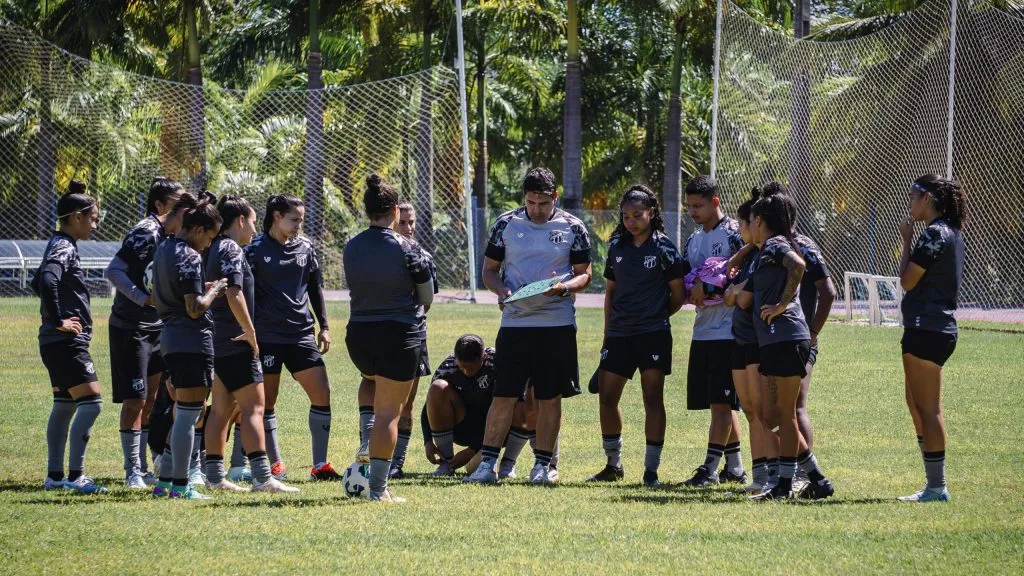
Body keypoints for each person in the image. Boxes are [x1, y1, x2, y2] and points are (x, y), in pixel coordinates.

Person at [464, 166, 592, 485]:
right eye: (531, 202)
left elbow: (585, 273)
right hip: (516, 324)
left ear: (555, 198)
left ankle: (543, 466)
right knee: (504, 396)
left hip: (557, 325)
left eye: (543, 203)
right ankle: (487, 467)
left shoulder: (573, 227)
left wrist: (564, 287)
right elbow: (490, 270)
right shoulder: (506, 224)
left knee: (550, 397)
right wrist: (501, 289)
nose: (536, 209)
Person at [587, 185, 686, 488]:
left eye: (637, 215)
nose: (631, 221)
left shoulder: (664, 248)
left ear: (652, 213)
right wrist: (607, 333)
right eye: (626, 216)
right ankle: (613, 464)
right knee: (606, 396)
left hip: (653, 334)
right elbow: (610, 293)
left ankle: (650, 471)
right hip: (619, 334)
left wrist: (654, 315)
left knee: (652, 399)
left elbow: (678, 295)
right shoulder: (617, 246)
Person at [344, 174, 434, 502]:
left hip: (359, 337)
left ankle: (365, 445)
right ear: (395, 211)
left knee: (371, 384)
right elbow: (426, 297)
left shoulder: (351, 246)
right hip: (398, 336)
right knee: (388, 415)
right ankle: (379, 489)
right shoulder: (409, 248)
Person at [203, 196, 299, 493]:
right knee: (255, 408)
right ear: (240, 220)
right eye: (254, 221)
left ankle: (215, 476)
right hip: (236, 339)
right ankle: (262, 477)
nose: (255, 229)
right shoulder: (231, 247)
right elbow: (234, 292)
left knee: (220, 409)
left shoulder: (212, 247)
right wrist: (250, 331)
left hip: (217, 339)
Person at [743, 193, 833, 501]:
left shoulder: (776, 244)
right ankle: (815, 479)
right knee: (778, 415)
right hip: (776, 339)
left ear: (760, 221)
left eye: (752, 220)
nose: (749, 226)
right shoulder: (766, 248)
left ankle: (787, 485)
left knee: (786, 414)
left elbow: (798, 265)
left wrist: (782, 304)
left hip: (786, 337)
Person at [245, 195, 337, 481]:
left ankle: (319, 465)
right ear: (276, 216)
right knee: (268, 401)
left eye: (301, 219)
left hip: (301, 334)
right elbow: (244, 292)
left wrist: (323, 325)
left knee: (322, 393)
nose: (299, 225)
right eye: (293, 219)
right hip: (268, 336)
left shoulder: (305, 248)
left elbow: (315, 288)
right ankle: (276, 464)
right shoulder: (255, 249)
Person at [104, 177, 186, 489]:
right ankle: (131, 471)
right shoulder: (146, 232)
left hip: (158, 327)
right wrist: (143, 298)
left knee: (151, 399)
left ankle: (145, 467)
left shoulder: (175, 238)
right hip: (131, 327)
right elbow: (113, 270)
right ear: (163, 207)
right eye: (179, 205)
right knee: (135, 400)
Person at [151, 194, 227, 499]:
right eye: (209, 237)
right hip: (191, 340)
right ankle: (182, 486)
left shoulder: (163, 249)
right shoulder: (190, 256)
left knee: (181, 412)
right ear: (197, 230)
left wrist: (199, 291)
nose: (209, 244)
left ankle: (165, 482)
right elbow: (195, 309)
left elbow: (159, 298)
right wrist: (216, 291)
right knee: (189, 415)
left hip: (170, 336)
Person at [896, 175, 967, 503]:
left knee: (928, 408)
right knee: (917, 404)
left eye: (913, 195)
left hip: (929, 328)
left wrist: (907, 240)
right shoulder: (947, 232)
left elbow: (908, 281)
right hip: (930, 327)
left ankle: (937, 486)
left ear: (927, 199)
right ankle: (931, 483)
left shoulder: (935, 234)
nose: (910, 202)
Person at [34, 182, 106, 494]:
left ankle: (54, 477)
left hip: (53, 342)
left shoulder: (59, 243)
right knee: (91, 404)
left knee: (64, 405)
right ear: (76, 217)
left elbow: (37, 280)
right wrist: (59, 319)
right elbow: (48, 279)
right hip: (65, 342)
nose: (95, 224)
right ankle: (76, 478)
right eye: (93, 218)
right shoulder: (64, 245)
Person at [679, 175, 746, 487]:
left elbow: (745, 274)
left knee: (722, 403)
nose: (693, 211)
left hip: (728, 331)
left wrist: (713, 286)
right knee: (721, 403)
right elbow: (686, 278)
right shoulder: (693, 239)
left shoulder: (734, 234)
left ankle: (708, 470)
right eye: (689, 206)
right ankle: (734, 468)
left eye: (699, 206)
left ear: (715, 201)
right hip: (703, 330)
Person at [723, 190, 778, 494]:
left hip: (759, 340)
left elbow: (740, 299)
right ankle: (760, 477)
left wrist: (735, 292)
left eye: (742, 224)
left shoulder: (768, 253)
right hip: (740, 339)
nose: (739, 229)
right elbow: (731, 293)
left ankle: (777, 474)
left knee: (764, 410)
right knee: (750, 409)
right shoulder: (749, 255)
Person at [422, 335, 499, 476]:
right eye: (462, 367)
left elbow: (504, 409)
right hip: (462, 427)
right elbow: (429, 405)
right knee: (438, 387)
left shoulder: (496, 363)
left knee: (474, 469)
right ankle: (447, 463)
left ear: (484, 357)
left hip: (494, 433)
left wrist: (472, 450)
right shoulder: (448, 367)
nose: (466, 372)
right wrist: (427, 441)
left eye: (471, 368)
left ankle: (507, 464)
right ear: (455, 358)